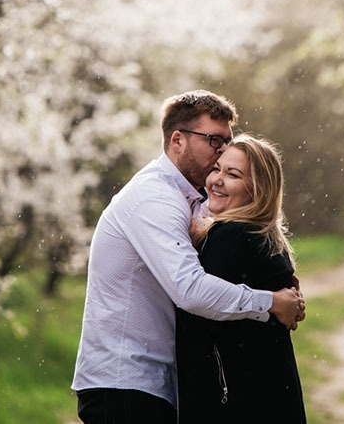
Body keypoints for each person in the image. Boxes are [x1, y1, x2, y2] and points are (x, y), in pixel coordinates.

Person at [72, 91, 306, 424]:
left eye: (227, 141)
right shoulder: (155, 199)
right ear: (178, 140)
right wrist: (270, 301)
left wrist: (275, 276)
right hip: (126, 385)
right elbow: (190, 290)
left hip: (151, 384)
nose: (222, 150)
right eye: (214, 140)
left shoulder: (191, 200)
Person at [176, 133, 305, 423]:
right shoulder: (263, 236)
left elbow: (196, 308)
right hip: (267, 395)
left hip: (237, 401)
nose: (216, 180)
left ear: (258, 190)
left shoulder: (233, 237)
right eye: (216, 168)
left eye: (233, 175)